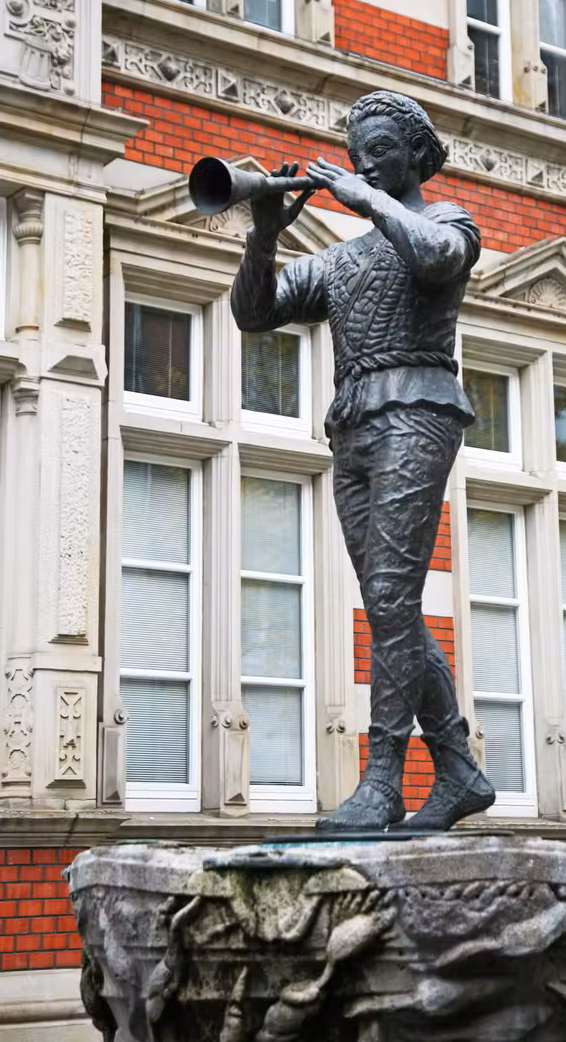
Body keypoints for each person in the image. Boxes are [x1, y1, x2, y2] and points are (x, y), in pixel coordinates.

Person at [230, 90, 495, 832]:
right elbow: (255, 313)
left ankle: (383, 779)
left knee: (386, 593)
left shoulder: (446, 221)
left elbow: (438, 259)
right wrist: (262, 233)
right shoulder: (341, 262)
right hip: (352, 425)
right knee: (391, 604)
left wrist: (365, 200)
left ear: (415, 155)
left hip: (419, 409)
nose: (362, 160)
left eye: (379, 148)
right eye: (357, 150)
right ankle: (460, 772)